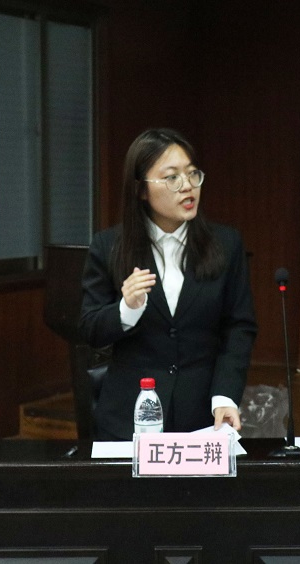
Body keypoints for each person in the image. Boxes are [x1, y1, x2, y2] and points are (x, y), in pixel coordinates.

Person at [79, 128, 258, 440]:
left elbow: (239, 327)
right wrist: (126, 309)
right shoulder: (109, 247)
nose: (187, 186)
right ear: (141, 190)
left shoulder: (226, 244)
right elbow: (90, 329)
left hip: (203, 415)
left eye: (192, 174)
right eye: (172, 177)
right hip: (129, 417)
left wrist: (225, 395)